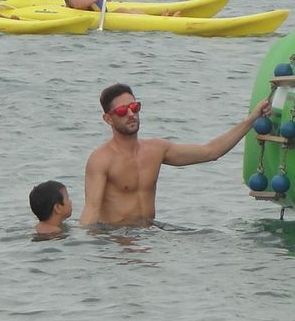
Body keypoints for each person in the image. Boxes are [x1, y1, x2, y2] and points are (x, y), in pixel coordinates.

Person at [80, 84, 272, 227]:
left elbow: (212, 151)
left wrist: (252, 118)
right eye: (122, 110)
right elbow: (91, 212)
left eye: (135, 107)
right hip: (116, 240)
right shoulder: (101, 159)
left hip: (149, 234)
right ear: (108, 119)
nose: (131, 114)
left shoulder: (156, 150)